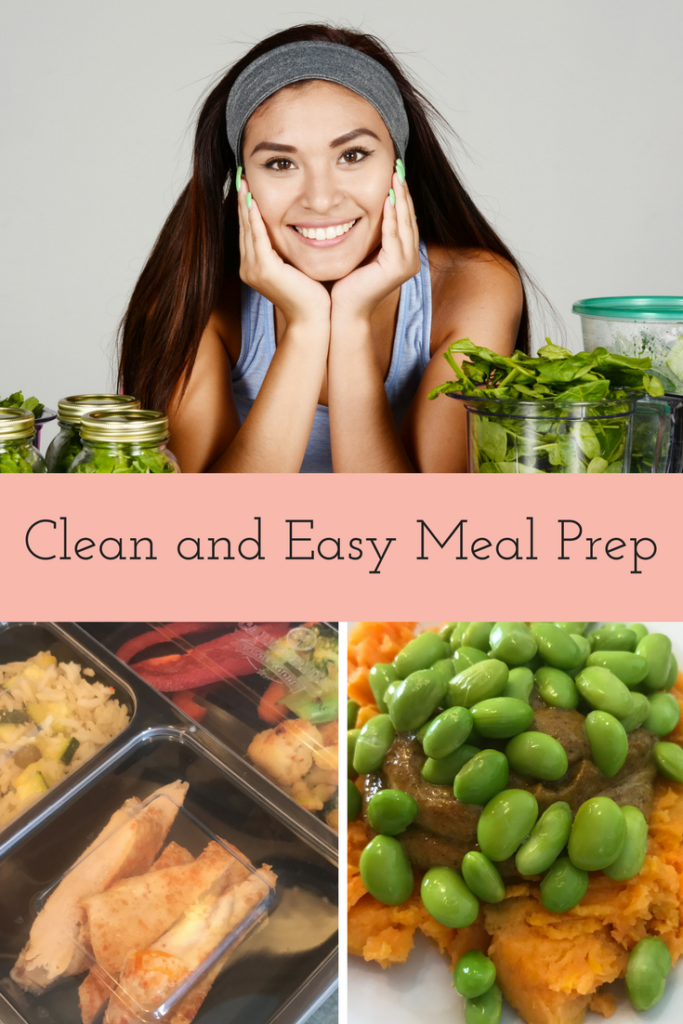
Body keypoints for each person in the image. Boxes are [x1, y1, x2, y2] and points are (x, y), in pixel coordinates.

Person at [118, 24, 527, 473]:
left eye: (352, 155)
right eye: (280, 163)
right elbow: (193, 528)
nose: (320, 198)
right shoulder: (195, 298)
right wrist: (307, 325)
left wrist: (348, 321)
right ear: (243, 184)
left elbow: (429, 529)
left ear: (399, 164)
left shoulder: (473, 288)